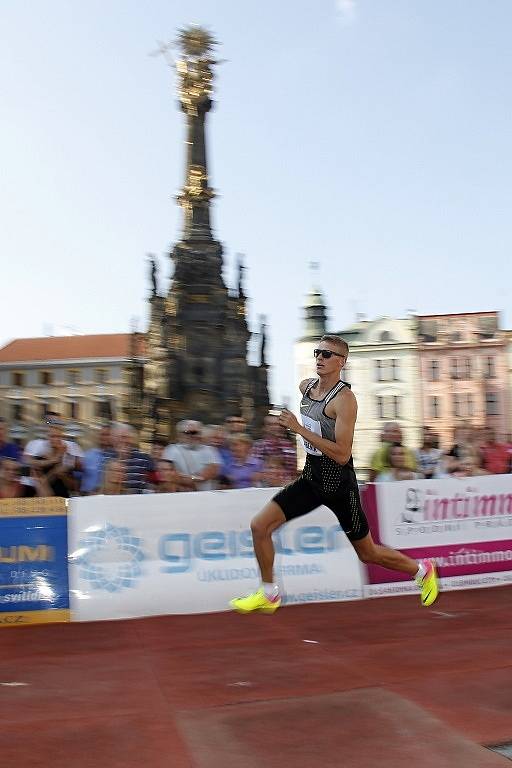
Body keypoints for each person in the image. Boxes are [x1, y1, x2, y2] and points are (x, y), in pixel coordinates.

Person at [230, 334, 438, 614]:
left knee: (368, 553)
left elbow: (341, 453)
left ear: (342, 362)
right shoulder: (306, 387)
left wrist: (298, 429)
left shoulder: (345, 400)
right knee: (259, 526)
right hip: (312, 477)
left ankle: (421, 570)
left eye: (327, 355)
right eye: (318, 352)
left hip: (339, 483)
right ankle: (269, 594)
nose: (319, 358)